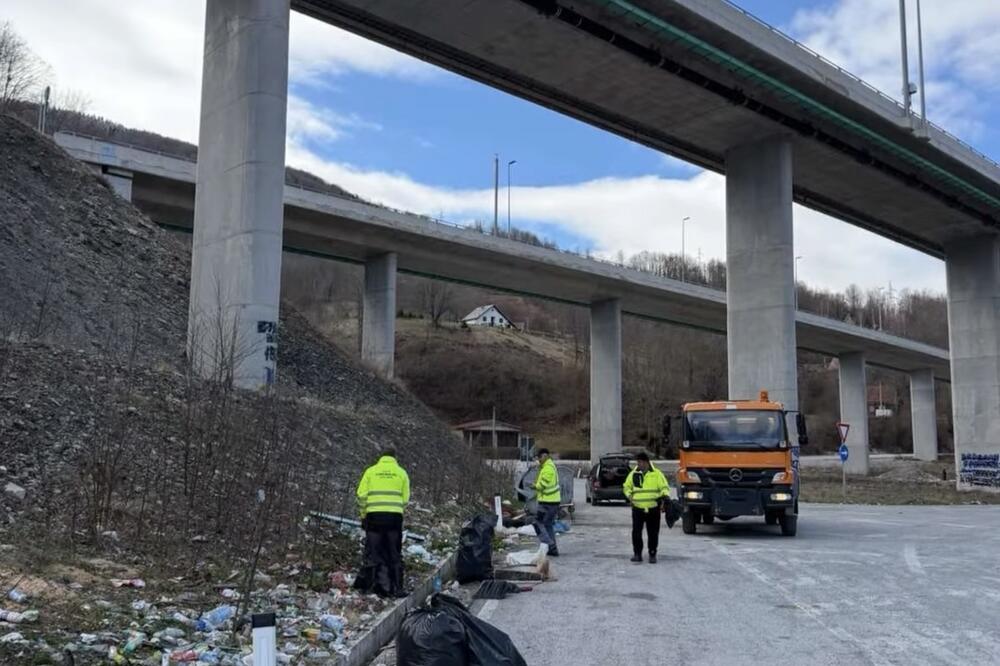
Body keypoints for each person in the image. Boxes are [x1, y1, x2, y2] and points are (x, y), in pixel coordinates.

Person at [355, 447, 411, 597]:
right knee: (394, 552)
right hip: (394, 519)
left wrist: (363, 514)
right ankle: (398, 588)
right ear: (395, 457)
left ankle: (368, 588)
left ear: (381, 457)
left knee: (372, 552)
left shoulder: (371, 471)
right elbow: (405, 499)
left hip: (374, 517)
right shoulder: (401, 473)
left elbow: (361, 495)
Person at [623, 452, 669, 563]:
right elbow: (626, 487)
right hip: (638, 508)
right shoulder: (633, 474)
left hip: (653, 508)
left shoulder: (657, 474)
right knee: (636, 533)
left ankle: (652, 554)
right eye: (637, 462)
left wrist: (665, 498)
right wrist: (629, 496)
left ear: (646, 462)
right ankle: (637, 554)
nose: (639, 464)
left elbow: (664, 487)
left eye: (640, 462)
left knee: (653, 533)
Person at [531, 448, 561, 556]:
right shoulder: (547, 466)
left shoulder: (548, 468)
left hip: (548, 502)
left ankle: (550, 545)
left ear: (544, 456)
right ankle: (552, 549)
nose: (538, 460)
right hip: (550, 502)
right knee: (547, 525)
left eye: (539, 458)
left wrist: (534, 486)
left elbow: (542, 485)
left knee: (537, 523)